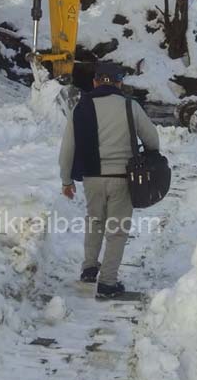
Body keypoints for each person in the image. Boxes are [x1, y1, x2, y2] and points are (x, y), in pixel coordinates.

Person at [58, 61, 159, 299]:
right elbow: (153, 140)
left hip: (92, 178)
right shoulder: (129, 106)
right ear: (119, 82)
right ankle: (108, 283)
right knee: (116, 230)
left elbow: (67, 149)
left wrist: (66, 180)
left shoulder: (80, 108)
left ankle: (89, 268)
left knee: (94, 222)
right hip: (123, 179)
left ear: (95, 82)